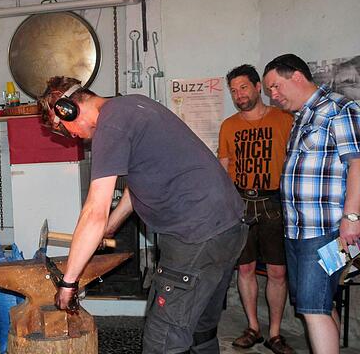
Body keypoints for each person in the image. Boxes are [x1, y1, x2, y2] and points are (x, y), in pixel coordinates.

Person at [38, 76, 246, 353]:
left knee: (162, 342)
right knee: (198, 331)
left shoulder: (110, 124)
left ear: (68, 109)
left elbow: (93, 210)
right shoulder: (132, 106)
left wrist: (68, 282)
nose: (70, 136)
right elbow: (135, 189)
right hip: (226, 229)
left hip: (195, 235)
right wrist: (110, 227)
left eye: (62, 127)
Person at [262, 54, 360, 354]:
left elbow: (357, 164)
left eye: (276, 87)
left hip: (326, 230)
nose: (274, 96)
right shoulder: (303, 115)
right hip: (298, 231)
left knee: (313, 309)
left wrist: (352, 218)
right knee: (317, 304)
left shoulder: (338, 109)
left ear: (297, 77)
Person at [217, 65, 294, 354]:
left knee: (277, 271)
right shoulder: (229, 125)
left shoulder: (283, 119)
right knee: (245, 268)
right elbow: (224, 168)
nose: (239, 95)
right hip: (241, 202)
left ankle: (275, 334)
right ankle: (253, 327)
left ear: (258, 86)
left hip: (275, 201)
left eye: (243, 88)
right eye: (234, 91)